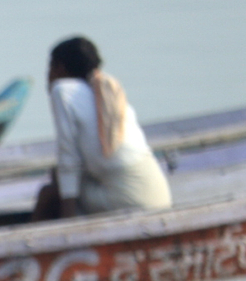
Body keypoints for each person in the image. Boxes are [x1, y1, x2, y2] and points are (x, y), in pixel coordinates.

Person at [34, 36, 171, 219]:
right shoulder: (102, 90)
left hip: (131, 200)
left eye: (49, 67)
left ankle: (32, 244)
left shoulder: (63, 90)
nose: (47, 75)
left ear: (60, 68)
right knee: (59, 178)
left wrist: (69, 220)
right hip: (159, 195)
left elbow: (69, 159)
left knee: (50, 191)